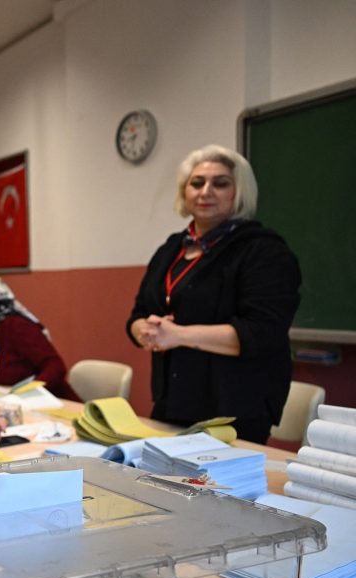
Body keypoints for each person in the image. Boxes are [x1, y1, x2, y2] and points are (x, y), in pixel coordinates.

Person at [127, 144, 300, 443]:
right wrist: (143, 330)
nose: (206, 191)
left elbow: (261, 332)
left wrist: (178, 335)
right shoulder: (171, 249)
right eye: (197, 183)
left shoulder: (264, 251)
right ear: (185, 191)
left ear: (239, 192)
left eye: (220, 183)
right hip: (172, 401)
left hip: (235, 410)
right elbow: (138, 312)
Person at [0, 273, 81, 401]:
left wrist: (30, 391)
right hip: (14, 401)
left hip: (53, 402)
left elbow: (55, 366)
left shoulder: (17, 326)